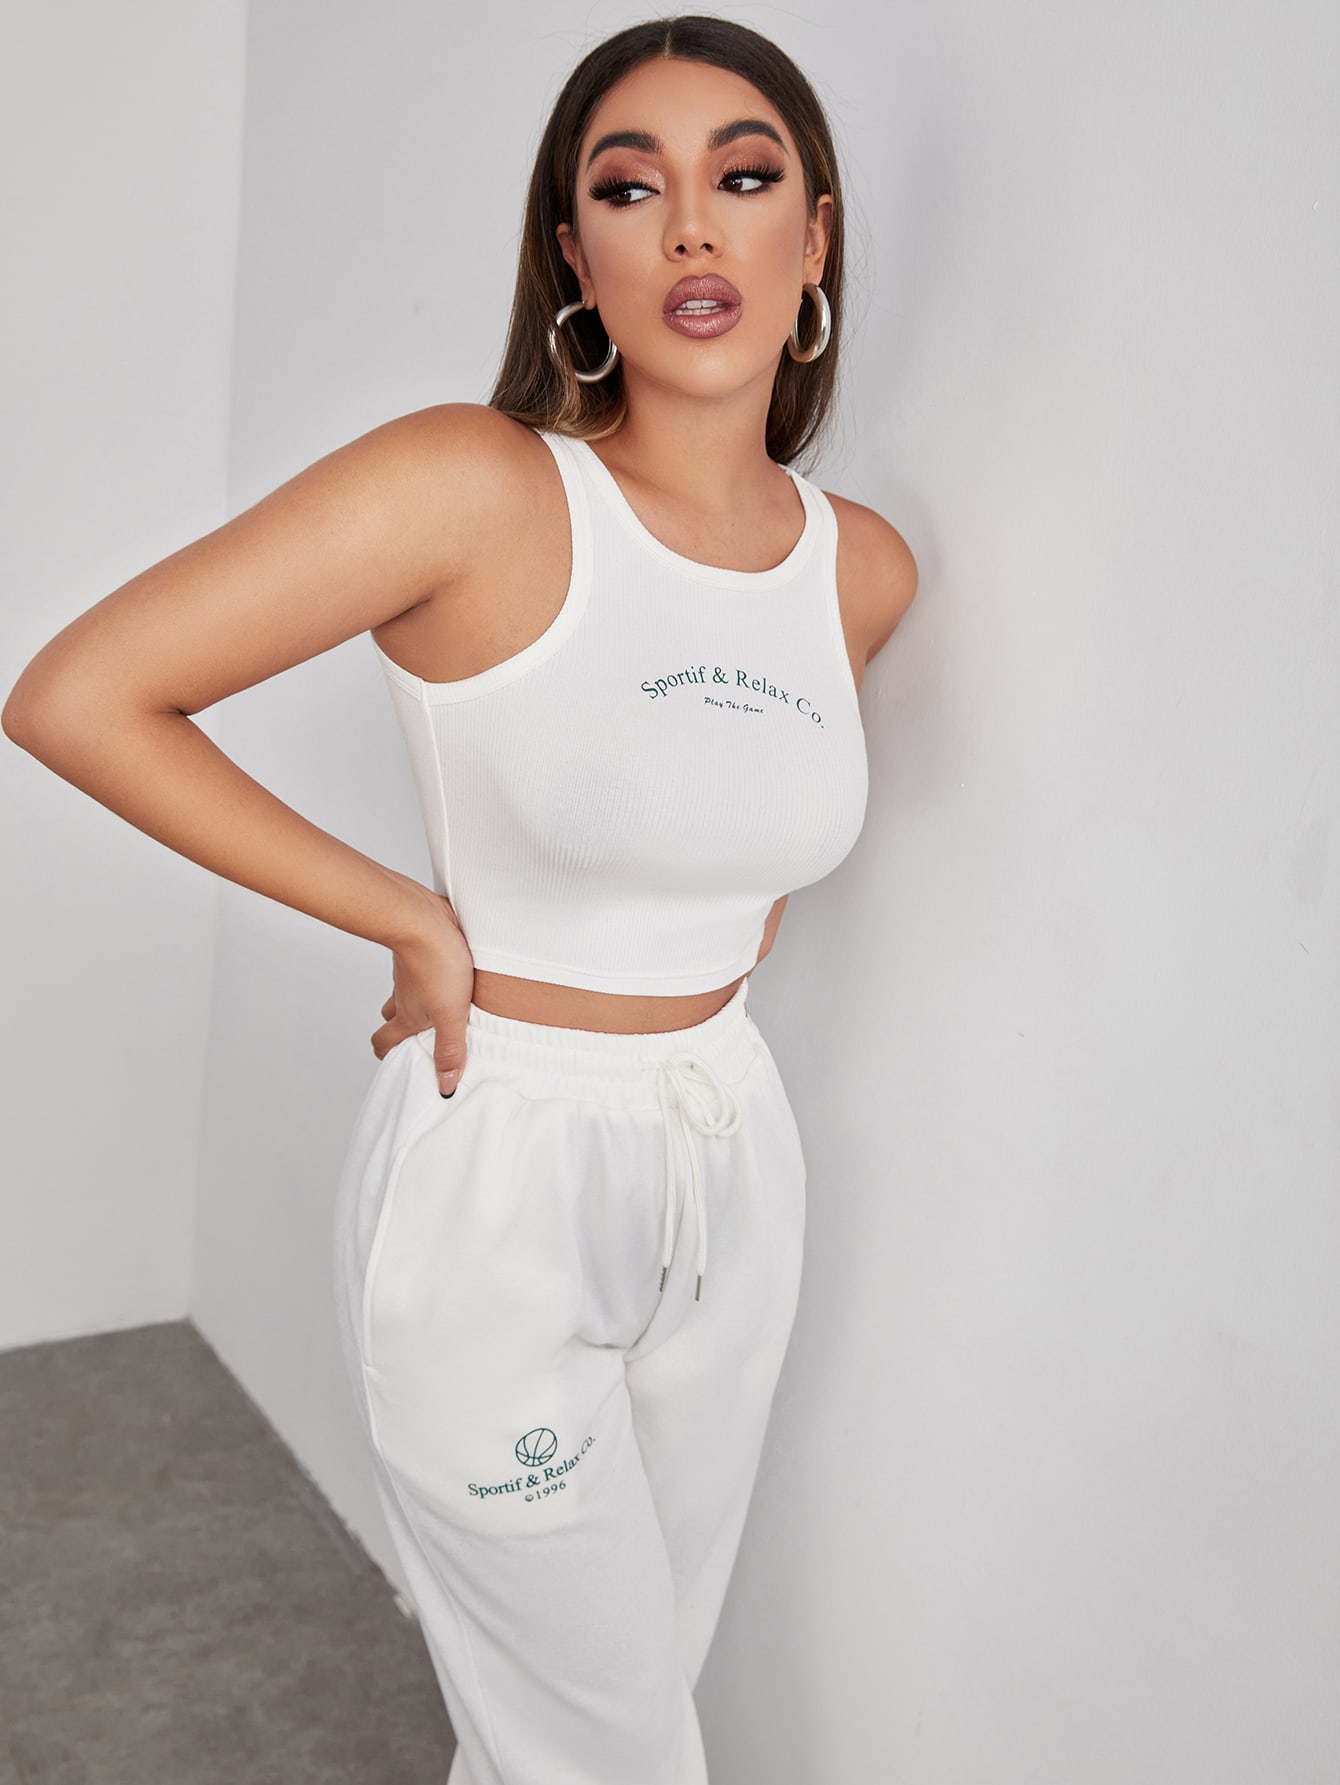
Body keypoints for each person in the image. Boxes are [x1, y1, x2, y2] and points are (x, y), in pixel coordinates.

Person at [3, 14, 917, 1782]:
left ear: (815, 239)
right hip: (496, 1164)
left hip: (734, 1161)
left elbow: (746, 851)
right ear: (574, 256)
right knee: (606, 1744)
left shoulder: (859, 569)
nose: (693, 226)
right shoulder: (471, 487)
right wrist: (405, 917)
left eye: (744, 178)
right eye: (629, 190)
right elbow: (77, 695)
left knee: (611, 1699)